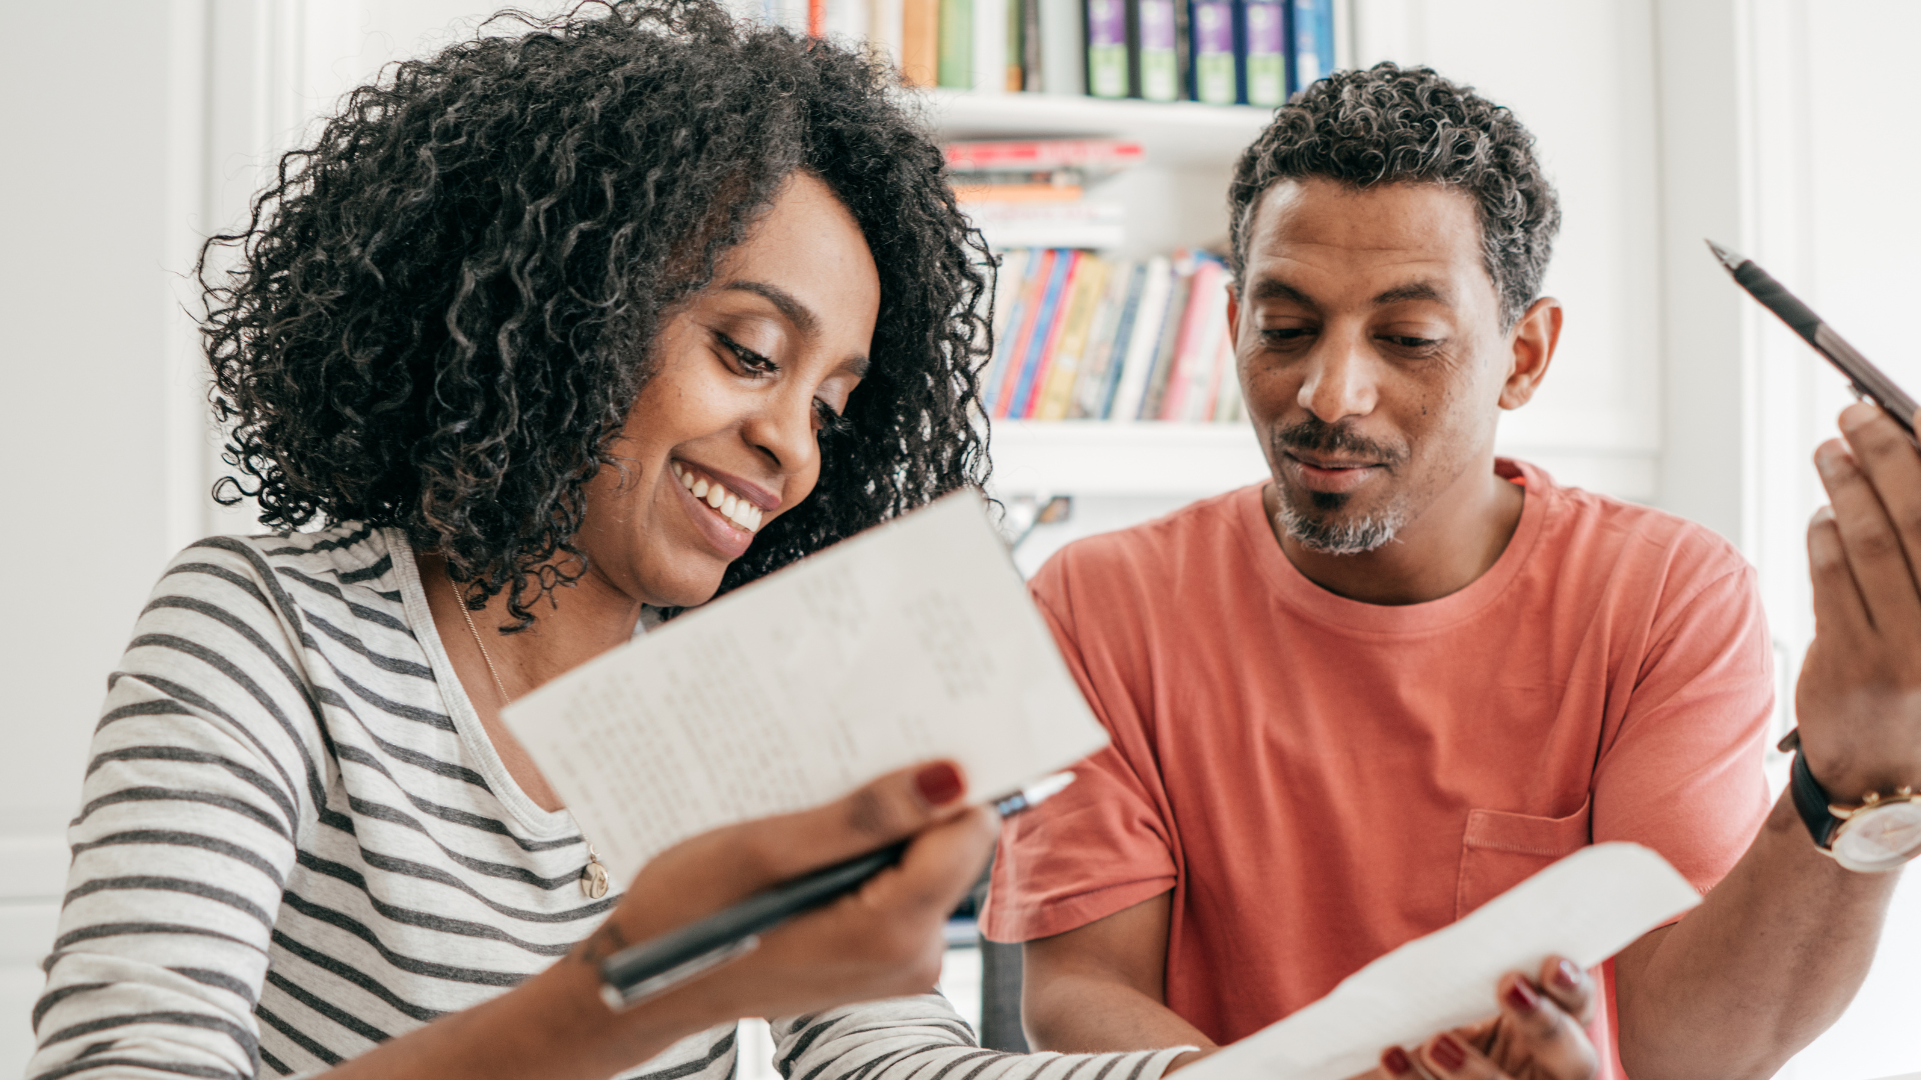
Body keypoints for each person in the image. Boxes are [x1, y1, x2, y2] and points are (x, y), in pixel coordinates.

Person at [24, 10, 1569, 1080]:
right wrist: (635, 989)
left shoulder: (758, 686)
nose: (792, 448)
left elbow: (894, 1064)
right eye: (750, 355)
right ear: (553, 307)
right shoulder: (265, 637)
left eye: (834, 403)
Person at [983, 62, 1916, 1080]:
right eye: (1284, 330)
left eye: (1408, 338)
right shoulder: (1095, 602)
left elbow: (1680, 1051)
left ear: (1523, 355)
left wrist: (1854, 770)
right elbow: (1080, 988)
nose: (1328, 394)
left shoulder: (1663, 598)